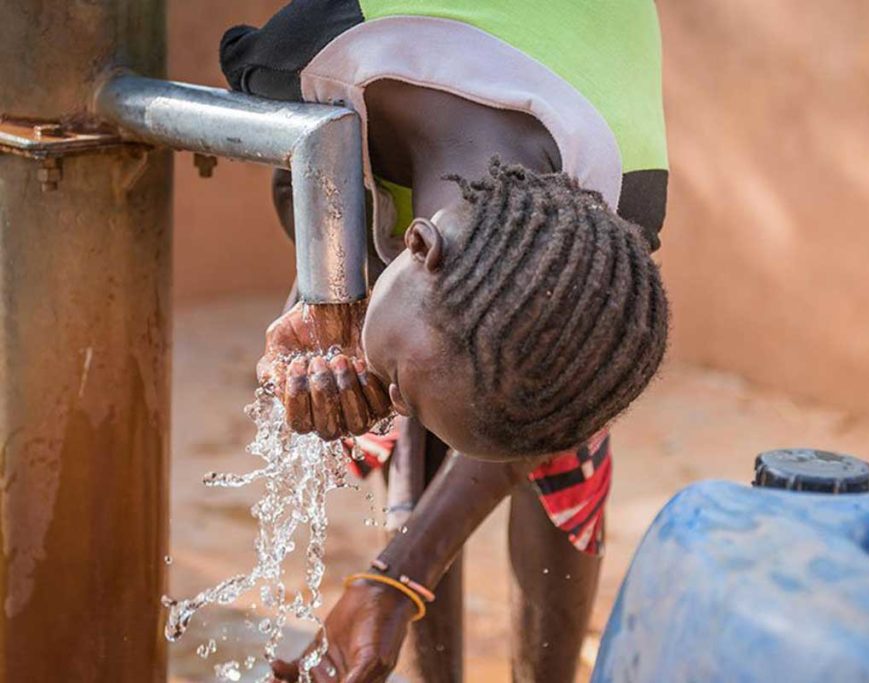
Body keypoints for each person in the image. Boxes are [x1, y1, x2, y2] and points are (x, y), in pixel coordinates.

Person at [219, 2, 668, 681]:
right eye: (398, 390)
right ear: (417, 240)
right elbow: (296, 169)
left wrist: (394, 579)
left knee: (529, 397)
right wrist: (329, 290)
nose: (386, 402)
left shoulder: (620, 216)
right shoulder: (308, 57)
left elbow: (523, 424)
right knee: (435, 368)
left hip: (566, 98)